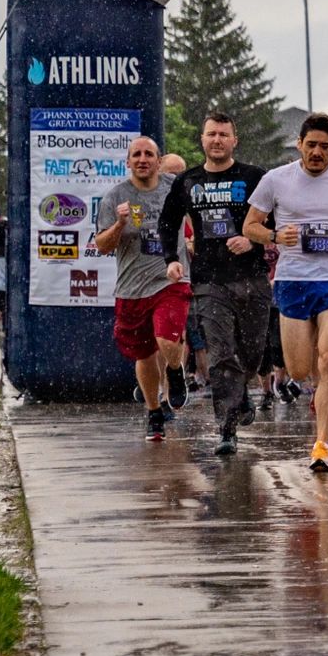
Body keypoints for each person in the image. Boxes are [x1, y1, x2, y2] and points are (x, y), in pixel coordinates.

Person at [247, 115, 328, 472]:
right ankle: (317, 391)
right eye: (311, 145)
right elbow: (250, 226)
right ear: (299, 144)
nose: (317, 153)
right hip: (293, 279)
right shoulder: (276, 179)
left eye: (325, 147)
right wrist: (273, 236)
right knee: (300, 370)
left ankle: (322, 445)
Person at [158, 113, 271, 454]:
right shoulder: (188, 181)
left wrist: (253, 241)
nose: (217, 140)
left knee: (251, 354)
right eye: (211, 134)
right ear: (202, 140)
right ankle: (227, 426)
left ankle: (243, 391)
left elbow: (277, 220)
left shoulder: (254, 178)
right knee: (221, 353)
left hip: (251, 278)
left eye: (224, 134)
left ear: (234, 140)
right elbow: (167, 221)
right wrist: (172, 259)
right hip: (209, 280)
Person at [92, 136, 185, 440]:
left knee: (167, 338)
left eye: (149, 154)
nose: (143, 159)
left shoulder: (177, 188)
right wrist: (119, 225)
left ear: (159, 161)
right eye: (137, 155)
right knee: (144, 354)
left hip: (171, 279)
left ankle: (174, 369)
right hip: (132, 288)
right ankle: (154, 410)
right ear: (128, 162)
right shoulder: (115, 196)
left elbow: (197, 219)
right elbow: (102, 246)